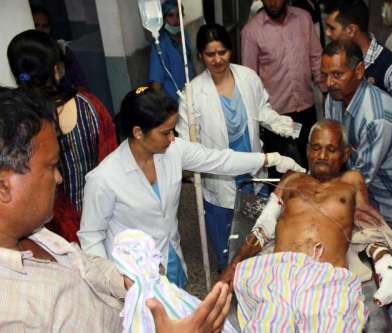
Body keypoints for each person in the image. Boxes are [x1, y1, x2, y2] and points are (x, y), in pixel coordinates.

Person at [0, 87, 231, 333]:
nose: (58, 178)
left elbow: (84, 266)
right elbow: (92, 236)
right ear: (4, 186)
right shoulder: (13, 314)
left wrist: (124, 280)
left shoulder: (39, 236)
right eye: (51, 166)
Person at [78, 87, 303, 288]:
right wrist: (116, 283)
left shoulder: (172, 151)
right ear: (138, 133)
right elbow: (91, 238)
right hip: (132, 277)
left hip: (171, 259)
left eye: (173, 130)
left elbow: (220, 160)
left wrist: (270, 159)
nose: (172, 138)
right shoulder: (104, 179)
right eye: (165, 132)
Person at [218, 120, 392, 331]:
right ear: (307, 150)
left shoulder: (351, 181)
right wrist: (232, 267)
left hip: (328, 278)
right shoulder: (291, 179)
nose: (322, 155)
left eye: (331, 149)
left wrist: (385, 263)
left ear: (345, 155)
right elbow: (264, 225)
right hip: (280, 273)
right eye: (316, 148)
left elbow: (368, 228)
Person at [176, 23, 300, 271]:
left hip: (253, 169)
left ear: (230, 51)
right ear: (201, 56)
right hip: (219, 177)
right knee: (227, 242)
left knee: (258, 232)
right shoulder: (193, 94)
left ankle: (260, 273)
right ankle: (229, 276)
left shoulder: (247, 77)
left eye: (222, 52)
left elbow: (261, 107)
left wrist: (278, 123)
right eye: (210, 54)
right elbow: (187, 143)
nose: (217, 59)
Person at [7, 29, 117, 243]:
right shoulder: (89, 106)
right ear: (56, 69)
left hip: (40, 235)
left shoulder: (11, 120)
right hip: (96, 219)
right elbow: (111, 160)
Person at [323, 42, 392, 225]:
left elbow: (360, 177)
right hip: (372, 189)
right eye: (325, 75)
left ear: (359, 71)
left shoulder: (376, 117)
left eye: (337, 74)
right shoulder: (333, 99)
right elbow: (335, 147)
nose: (328, 83)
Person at [241, 0, 323, 166]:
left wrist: (326, 90)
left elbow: (316, 57)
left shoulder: (304, 19)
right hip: (274, 115)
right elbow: (248, 77)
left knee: (313, 160)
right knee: (278, 168)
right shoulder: (251, 31)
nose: (272, 2)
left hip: (305, 107)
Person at [324, 0, 392, 118]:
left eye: (332, 28)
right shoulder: (337, 57)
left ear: (351, 30)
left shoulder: (389, 65)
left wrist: (371, 115)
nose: (327, 33)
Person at [30, 5, 87, 90]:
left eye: (45, 26)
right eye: (36, 25)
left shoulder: (61, 49)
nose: (40, 30)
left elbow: (79, 82)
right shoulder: (27, 53)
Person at [149, 0, 194, 102]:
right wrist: (164, 107)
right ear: (164, 19)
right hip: (173, 98)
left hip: (190, 93)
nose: (176, 19)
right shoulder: (159, 43)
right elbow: (156, 82)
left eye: (179, 15)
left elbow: (190, 64)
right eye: (171, 15)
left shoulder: (184, 35)